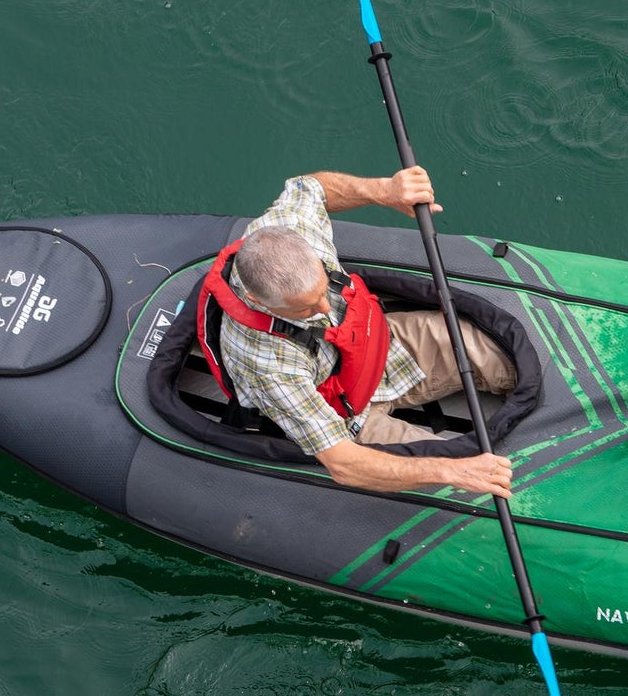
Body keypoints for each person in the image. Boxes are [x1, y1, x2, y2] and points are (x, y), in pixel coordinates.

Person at [198, 167, 515, 499]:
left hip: (381, 348)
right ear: (255, 300)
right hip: (346, 417)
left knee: (501, 353)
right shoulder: (267, 365)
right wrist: (452, 471)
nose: (324, 309)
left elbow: (311, 186)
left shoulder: (292, 224)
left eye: (324, 290)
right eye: (304, 309)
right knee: (473, 483)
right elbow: (343, 463)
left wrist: (384, 190)